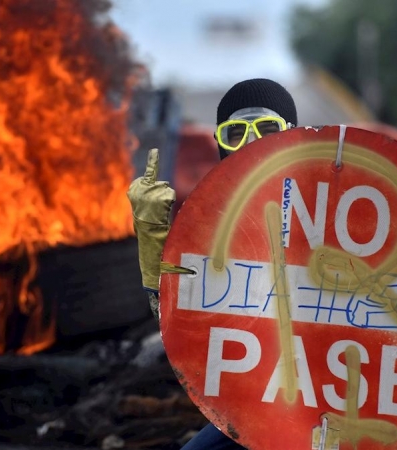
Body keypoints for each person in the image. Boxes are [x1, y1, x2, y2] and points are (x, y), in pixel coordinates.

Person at [127, 78, 298, 449]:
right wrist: (151, 238)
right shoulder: (213, 224)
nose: (252, 144)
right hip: (256, 408)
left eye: (268, 129)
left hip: (341, 407)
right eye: (236, 133)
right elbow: (181, 323)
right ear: (220, 142)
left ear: (293, 136)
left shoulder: (338, 204)